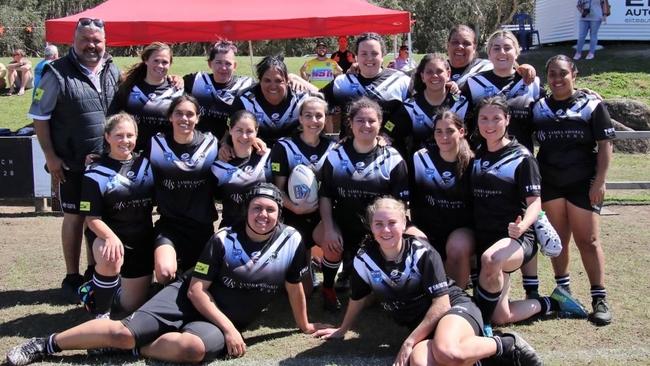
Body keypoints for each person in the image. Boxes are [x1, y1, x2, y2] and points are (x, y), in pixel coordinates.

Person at [5, 183, 326, 366]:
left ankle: (134, 348)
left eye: (270, 210)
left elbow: (294, 285)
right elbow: (197, 291)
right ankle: (45, 345)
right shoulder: (224, 238)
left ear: (279, 214)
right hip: (185, 300)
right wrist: (230, 330)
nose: (263, 215)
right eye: (257, 208)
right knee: (123, 331)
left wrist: (305, 325)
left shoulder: (292, 240)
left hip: (212, 322)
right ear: (247, 211)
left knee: (193, 351)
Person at [314, 197, 542, 366]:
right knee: (421, 364)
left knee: (449, 352)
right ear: (371, 227)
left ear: (404, 224)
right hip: (424, 326)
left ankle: (507, 344)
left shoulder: (422, 252)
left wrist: (409, 341)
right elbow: (358, 297)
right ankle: (483, 361)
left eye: (392, 223)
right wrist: (342, 329)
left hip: (453, 309)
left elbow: (441, 305)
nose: (386, 230)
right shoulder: (364, 258)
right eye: (379, 224)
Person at [471, 96, 588, 329]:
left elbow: (535, 203)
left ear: (507, 120)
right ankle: (553, 302)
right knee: (502, 317)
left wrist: (522, 227)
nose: (489, 124)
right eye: (484, 118)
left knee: (491, 259)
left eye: (496, 118)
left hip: (516, 238)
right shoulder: (476, 152)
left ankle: (480, 323)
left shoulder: (522, 157)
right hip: (484, 234)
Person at [28, 17, 120, 303]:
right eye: (86, 40)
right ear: (73, 41)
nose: (92, 45)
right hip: (72, 164)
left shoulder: (111, 67)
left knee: (102, 219)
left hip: (107, 164)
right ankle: (71, 276)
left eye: (97, 41)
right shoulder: (55, 73)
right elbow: (39, 118)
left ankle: (97, 273)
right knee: (75, 217)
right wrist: (51, 157)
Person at [532, 55, 614, 325]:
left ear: (574, 75)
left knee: (588, 241)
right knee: (557, 241)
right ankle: (563, 293)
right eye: (552, 73)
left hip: (582, 183)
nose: (557, 79)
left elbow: (605, 144)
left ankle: (598, 298)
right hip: (550, 182)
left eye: (563, 73)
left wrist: (600, 181)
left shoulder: (592, 104)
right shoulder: (539, 107)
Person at [316, 97, 409, 311]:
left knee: (367, 302)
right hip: (344, 224)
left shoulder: (393, 158)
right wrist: (329, 228)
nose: (366, 125)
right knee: (330, 242)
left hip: (377, 228)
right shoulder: (336, 155)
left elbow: (399, 205)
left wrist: (386, 233)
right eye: (360, 120)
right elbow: (326, 195)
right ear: (350, 123)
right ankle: (328, 288)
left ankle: (366, 276)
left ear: (380, 122)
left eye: (371, 121)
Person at [78, 112, 155, 316]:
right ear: (107, 137)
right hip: (109, 238)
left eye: (130, 135)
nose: (125, 141)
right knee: (108, 252)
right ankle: (100, 313)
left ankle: (99, 288)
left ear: (136, 138)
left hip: (142, 240)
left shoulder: (146, 165)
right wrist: (111, 237)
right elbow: (91, 218)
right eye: (119, 135)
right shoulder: (94, 172)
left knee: (126, 309)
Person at [149, 95, 219, 284]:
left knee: (200, 280)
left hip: (201, 226)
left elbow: (239, 149)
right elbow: (126, 154)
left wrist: (257, 143)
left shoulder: (211, 144)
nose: (184, 119)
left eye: (190, 114)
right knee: (164, 273)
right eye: (178, 113)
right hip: (169, 225)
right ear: (170, 116)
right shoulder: (156, 144)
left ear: (197, 118)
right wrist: (100, 158)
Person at [270, 96, 336, 292]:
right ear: (300, 119)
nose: (314, 121)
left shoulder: (333, 146)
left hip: (321, 215)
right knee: (305, 290)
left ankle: (330, 286)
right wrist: (295, 207)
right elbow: (277, 189)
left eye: (319, 116)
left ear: (325, 119)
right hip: (293, 215)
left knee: (335, 246)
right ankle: (303, 264)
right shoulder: (284, 147)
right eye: (308, 116)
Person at [411, 111, 474, 289]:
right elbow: (410, 198)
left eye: (450, 131)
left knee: (457, 246)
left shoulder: (473, 162)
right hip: (428, 227)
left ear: (462, 132)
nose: (444, 136)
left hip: (462, 230)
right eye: (438, 131)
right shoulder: (420, 159)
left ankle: (457, 299)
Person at [461, 30, 542, 152]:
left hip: (521, 158)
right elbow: (460, 121)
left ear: (516, 52)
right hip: (484, 157)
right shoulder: (474, 84)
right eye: (496, 48)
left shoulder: (531, 82)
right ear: (489, 54)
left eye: (507, 48)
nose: (502, 52)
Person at [321, 32, 410, 138]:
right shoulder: (343, 82)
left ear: (383, 56)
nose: (369, 58)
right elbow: (316, 101)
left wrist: (387, 132)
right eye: (363, 54)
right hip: (349, 151)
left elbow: (408, 115)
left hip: (389, 151)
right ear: (356, 57)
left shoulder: (400, 81)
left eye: (374, 53)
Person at [383, 53, 469, 157]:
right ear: (422, 76)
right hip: (421, 165)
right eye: (429, 72)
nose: (434, 75)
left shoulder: (461, 104)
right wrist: (384, 135)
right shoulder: (410, 106)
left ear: (448, 74)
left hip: (456, 162)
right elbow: (390, 128)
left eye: (439, 71)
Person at [109, 42, 183, 152]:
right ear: (146, 60)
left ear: (170, 64)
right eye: (156, 60)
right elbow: (112, 118)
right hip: (133, 153)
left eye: (165, 62)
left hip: (165, 154)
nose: (160, 65)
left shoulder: (177, 89)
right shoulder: (129, 86)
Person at [184, 40, 254, 141]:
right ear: (209, 64)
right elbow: (171, 85)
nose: (223, 67)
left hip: (227, 143)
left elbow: (267, 85)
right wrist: (175, 79)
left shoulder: (245, 85)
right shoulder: (196, 80)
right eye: (218, 62)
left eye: (228, 63)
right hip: (195, 141)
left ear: (234, 66)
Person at [231, 55, 309, 146]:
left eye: (278, 81)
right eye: (267, 80)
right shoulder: (245, 100)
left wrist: (297, 78)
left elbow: (324, 97)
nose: (273, 86)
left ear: (287, 81)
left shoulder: (302, 98)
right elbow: (233, 132)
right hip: (256, 151)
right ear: (259, 81)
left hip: (294, 152)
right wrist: (226, 145)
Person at [212, 110, 271, 228]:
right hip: (231, 228)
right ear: (230, 130)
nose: (244, 136)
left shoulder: (268, 157)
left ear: (256, 131)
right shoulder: (217, 165)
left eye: (249, 131)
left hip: (264, 227)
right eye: (239, 130)